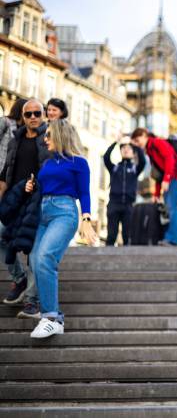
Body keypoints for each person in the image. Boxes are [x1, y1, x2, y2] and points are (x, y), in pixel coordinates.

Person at [26, 119, 97, 338]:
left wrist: (86, 218)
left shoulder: (79, 162)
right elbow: (42, 187)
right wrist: (32, 186)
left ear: (60, 135)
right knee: (35, 260)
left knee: (46, 257)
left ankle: (52, 318)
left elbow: (84, 193)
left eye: (48, 135)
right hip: (43, 211)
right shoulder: (47, 164)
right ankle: (46, 312)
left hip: (64, 211)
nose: (45, 139)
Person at [0, 99, 51, 319]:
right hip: (14, 199)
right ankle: (19, 279)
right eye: (28, 114)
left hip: (37, 200)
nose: (32, 117)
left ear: (43, 115)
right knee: (1, 236)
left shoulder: (48, 139)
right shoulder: (15, 140)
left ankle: (32, 302)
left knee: (33, 251)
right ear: (22, 116)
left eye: (36, 113)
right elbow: (5, 172)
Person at [130, 128, 177, 246]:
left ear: (144, 135)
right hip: (170, 178)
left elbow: (169, 158)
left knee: (171, 206)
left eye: (137, 140)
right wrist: (156, 194)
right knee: (168, 206)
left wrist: (166, 179)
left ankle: (174, 240)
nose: (136, 144)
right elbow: (157, 174)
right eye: (134, 142)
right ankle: (170, 238)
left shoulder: (157, 142)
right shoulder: (150, 151)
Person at [103, 133, 146, 246]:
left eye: (129, 149)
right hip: (114, 204)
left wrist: (134, 145)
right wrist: (116, 142)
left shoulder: (135, 169)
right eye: (123, 148)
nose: (126, 150)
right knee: (111, 235)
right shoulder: (115, 168)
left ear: (133, 153)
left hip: (128, 205)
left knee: (127, 236)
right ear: (120, 151)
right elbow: (106, 157)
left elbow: (143, 161)